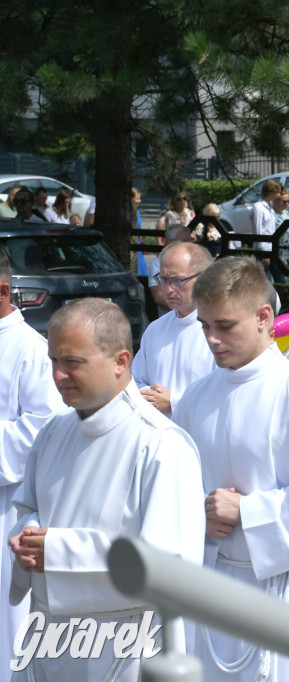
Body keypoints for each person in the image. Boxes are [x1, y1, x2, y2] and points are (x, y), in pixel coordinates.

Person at [172, 257, 289, 681]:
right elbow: (177, 487)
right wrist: (199, 513)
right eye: (204, 327)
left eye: (224, 326)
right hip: (219, 584)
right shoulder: (195, 399)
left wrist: (248, 512)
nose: (212, 340)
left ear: (263, 317)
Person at [9, 299, 205, 681]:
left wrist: (62, 550)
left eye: (74, 363)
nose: (59, 375)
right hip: (49, 634)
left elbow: (170, 564)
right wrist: (28, 541)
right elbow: (29, 508)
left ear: (121, 361)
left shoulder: (161, 445)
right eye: (53, 361)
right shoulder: (54, 431)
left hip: (124, 643)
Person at [0, 251, 65, 676]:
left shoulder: (31, 351)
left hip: (8, 510)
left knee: (9, 629)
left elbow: (42, 431)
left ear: (2, 291)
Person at [133, 242, 217, 415]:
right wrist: (149, 394)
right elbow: (136, 380)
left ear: (204, 277)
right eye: (163, 280)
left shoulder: (219, 332)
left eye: (177, 280)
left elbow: (223, 396)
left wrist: (173, 403)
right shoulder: (155, 329)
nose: (168, 289)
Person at [148, 224, 194, 317]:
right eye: (185, 241)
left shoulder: (196, 262)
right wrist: (188, 310)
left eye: (191, 240)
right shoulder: (158, 265)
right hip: (171, 322)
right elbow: (159, 297)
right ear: (170, 243)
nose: (190, 245)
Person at [250, 178, 283, 282]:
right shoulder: (258, 208)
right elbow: (258, 232)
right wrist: (263, 254)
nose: (279, 195)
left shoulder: (269, 207)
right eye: (277, 192)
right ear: (271, 192)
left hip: (271, 249)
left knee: (280, 279)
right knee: (261, 281)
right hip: (263, 251)